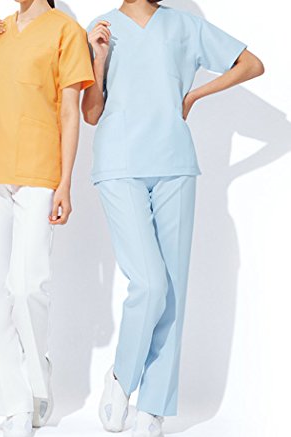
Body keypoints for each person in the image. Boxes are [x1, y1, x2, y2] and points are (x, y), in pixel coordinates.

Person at [82, 1, 264, 436]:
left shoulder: (185, 26)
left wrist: (195, 94)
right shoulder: (101, 27)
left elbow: (251, 64)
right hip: (119, 163)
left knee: (173, 291)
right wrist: (100, 58)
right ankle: (121, 378)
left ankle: (154, 409)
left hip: (175, 164)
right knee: (149, 283)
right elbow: (90, 113)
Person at [0, 0, 94, 436]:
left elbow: (70, 111)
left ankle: (38, 376)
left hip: (40, 171)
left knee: (28, 286)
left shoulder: (65, 31)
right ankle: (16, 406)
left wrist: (65, 183)